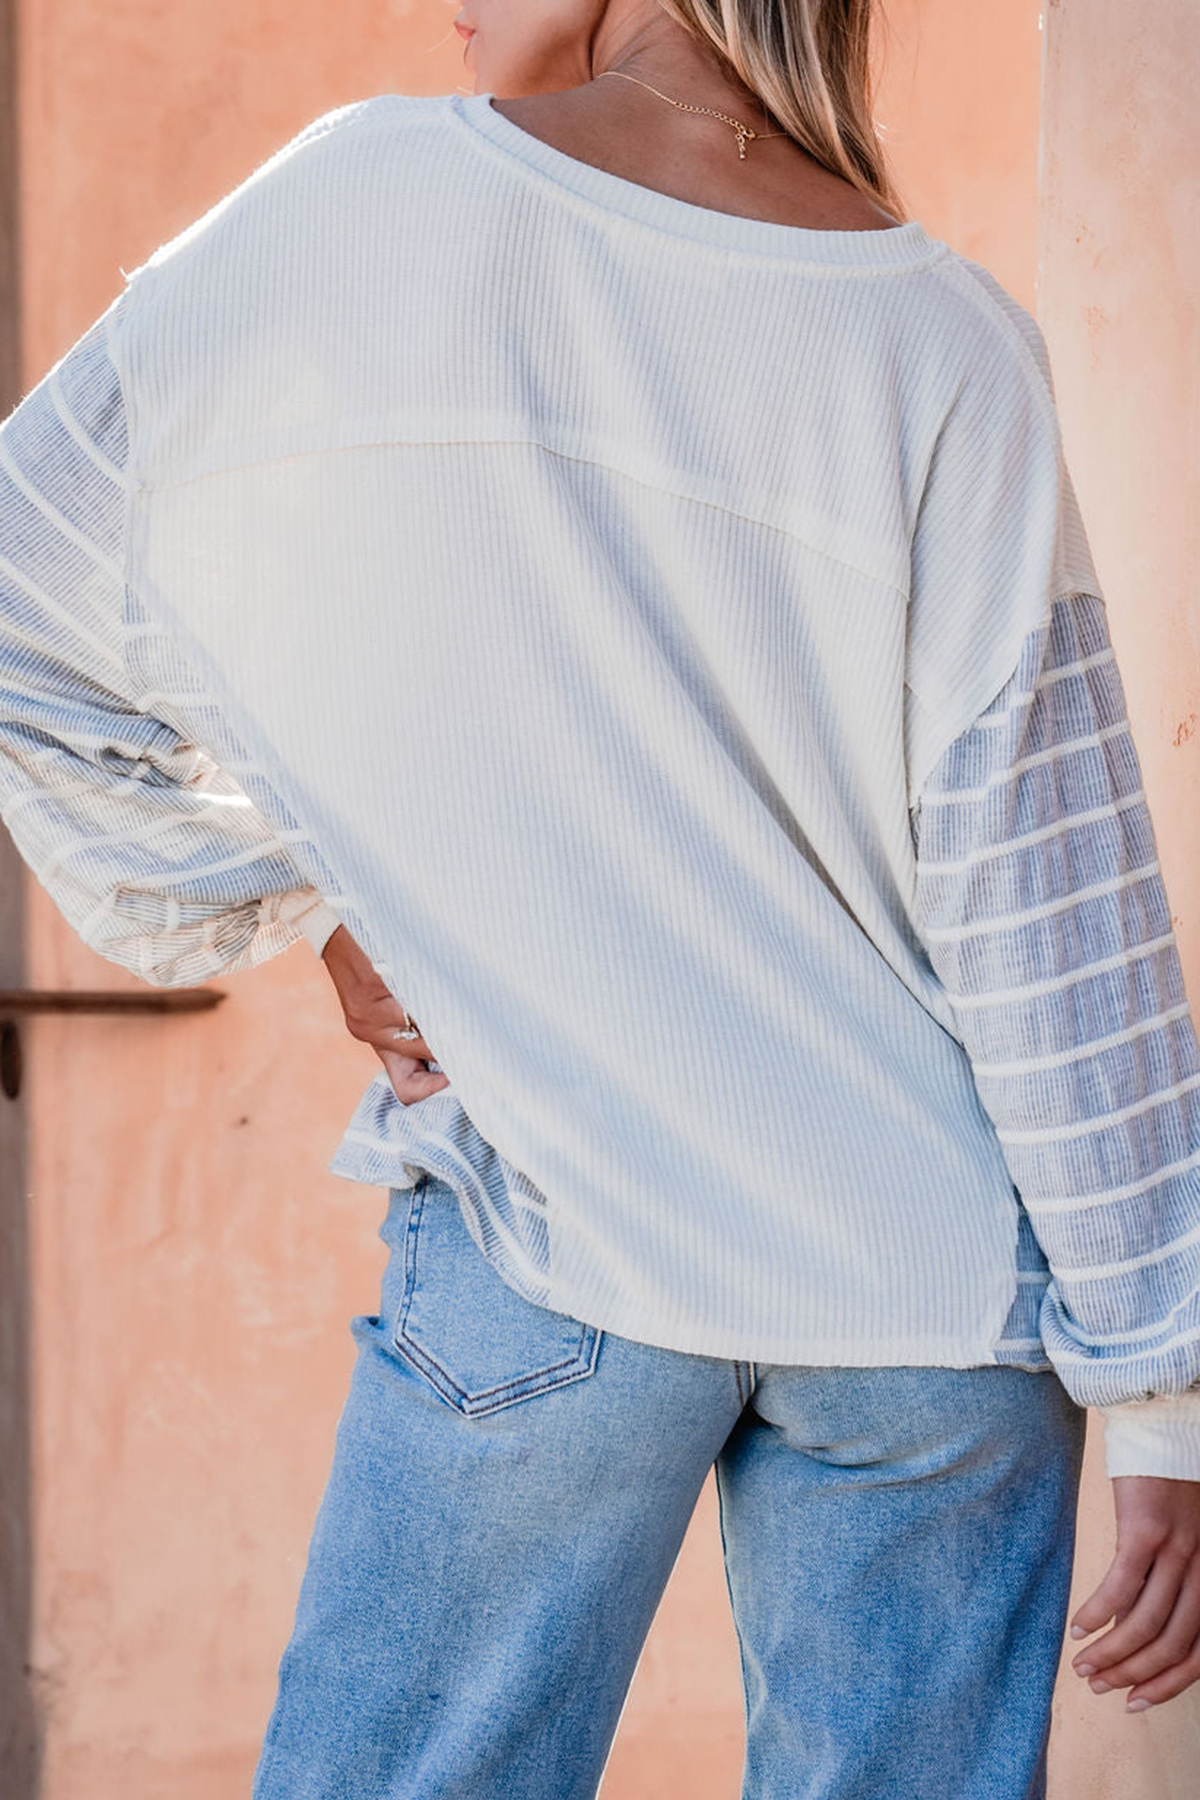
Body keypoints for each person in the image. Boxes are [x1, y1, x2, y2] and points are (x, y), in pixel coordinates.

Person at [3, 0, 1200, 1792]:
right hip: (931, 1296)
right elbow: (1054, 913)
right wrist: (1161, 1388)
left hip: (549, 1233)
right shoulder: (951, 344)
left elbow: (25, 612)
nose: (456, 7)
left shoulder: (351, 206)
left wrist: (304, 907)